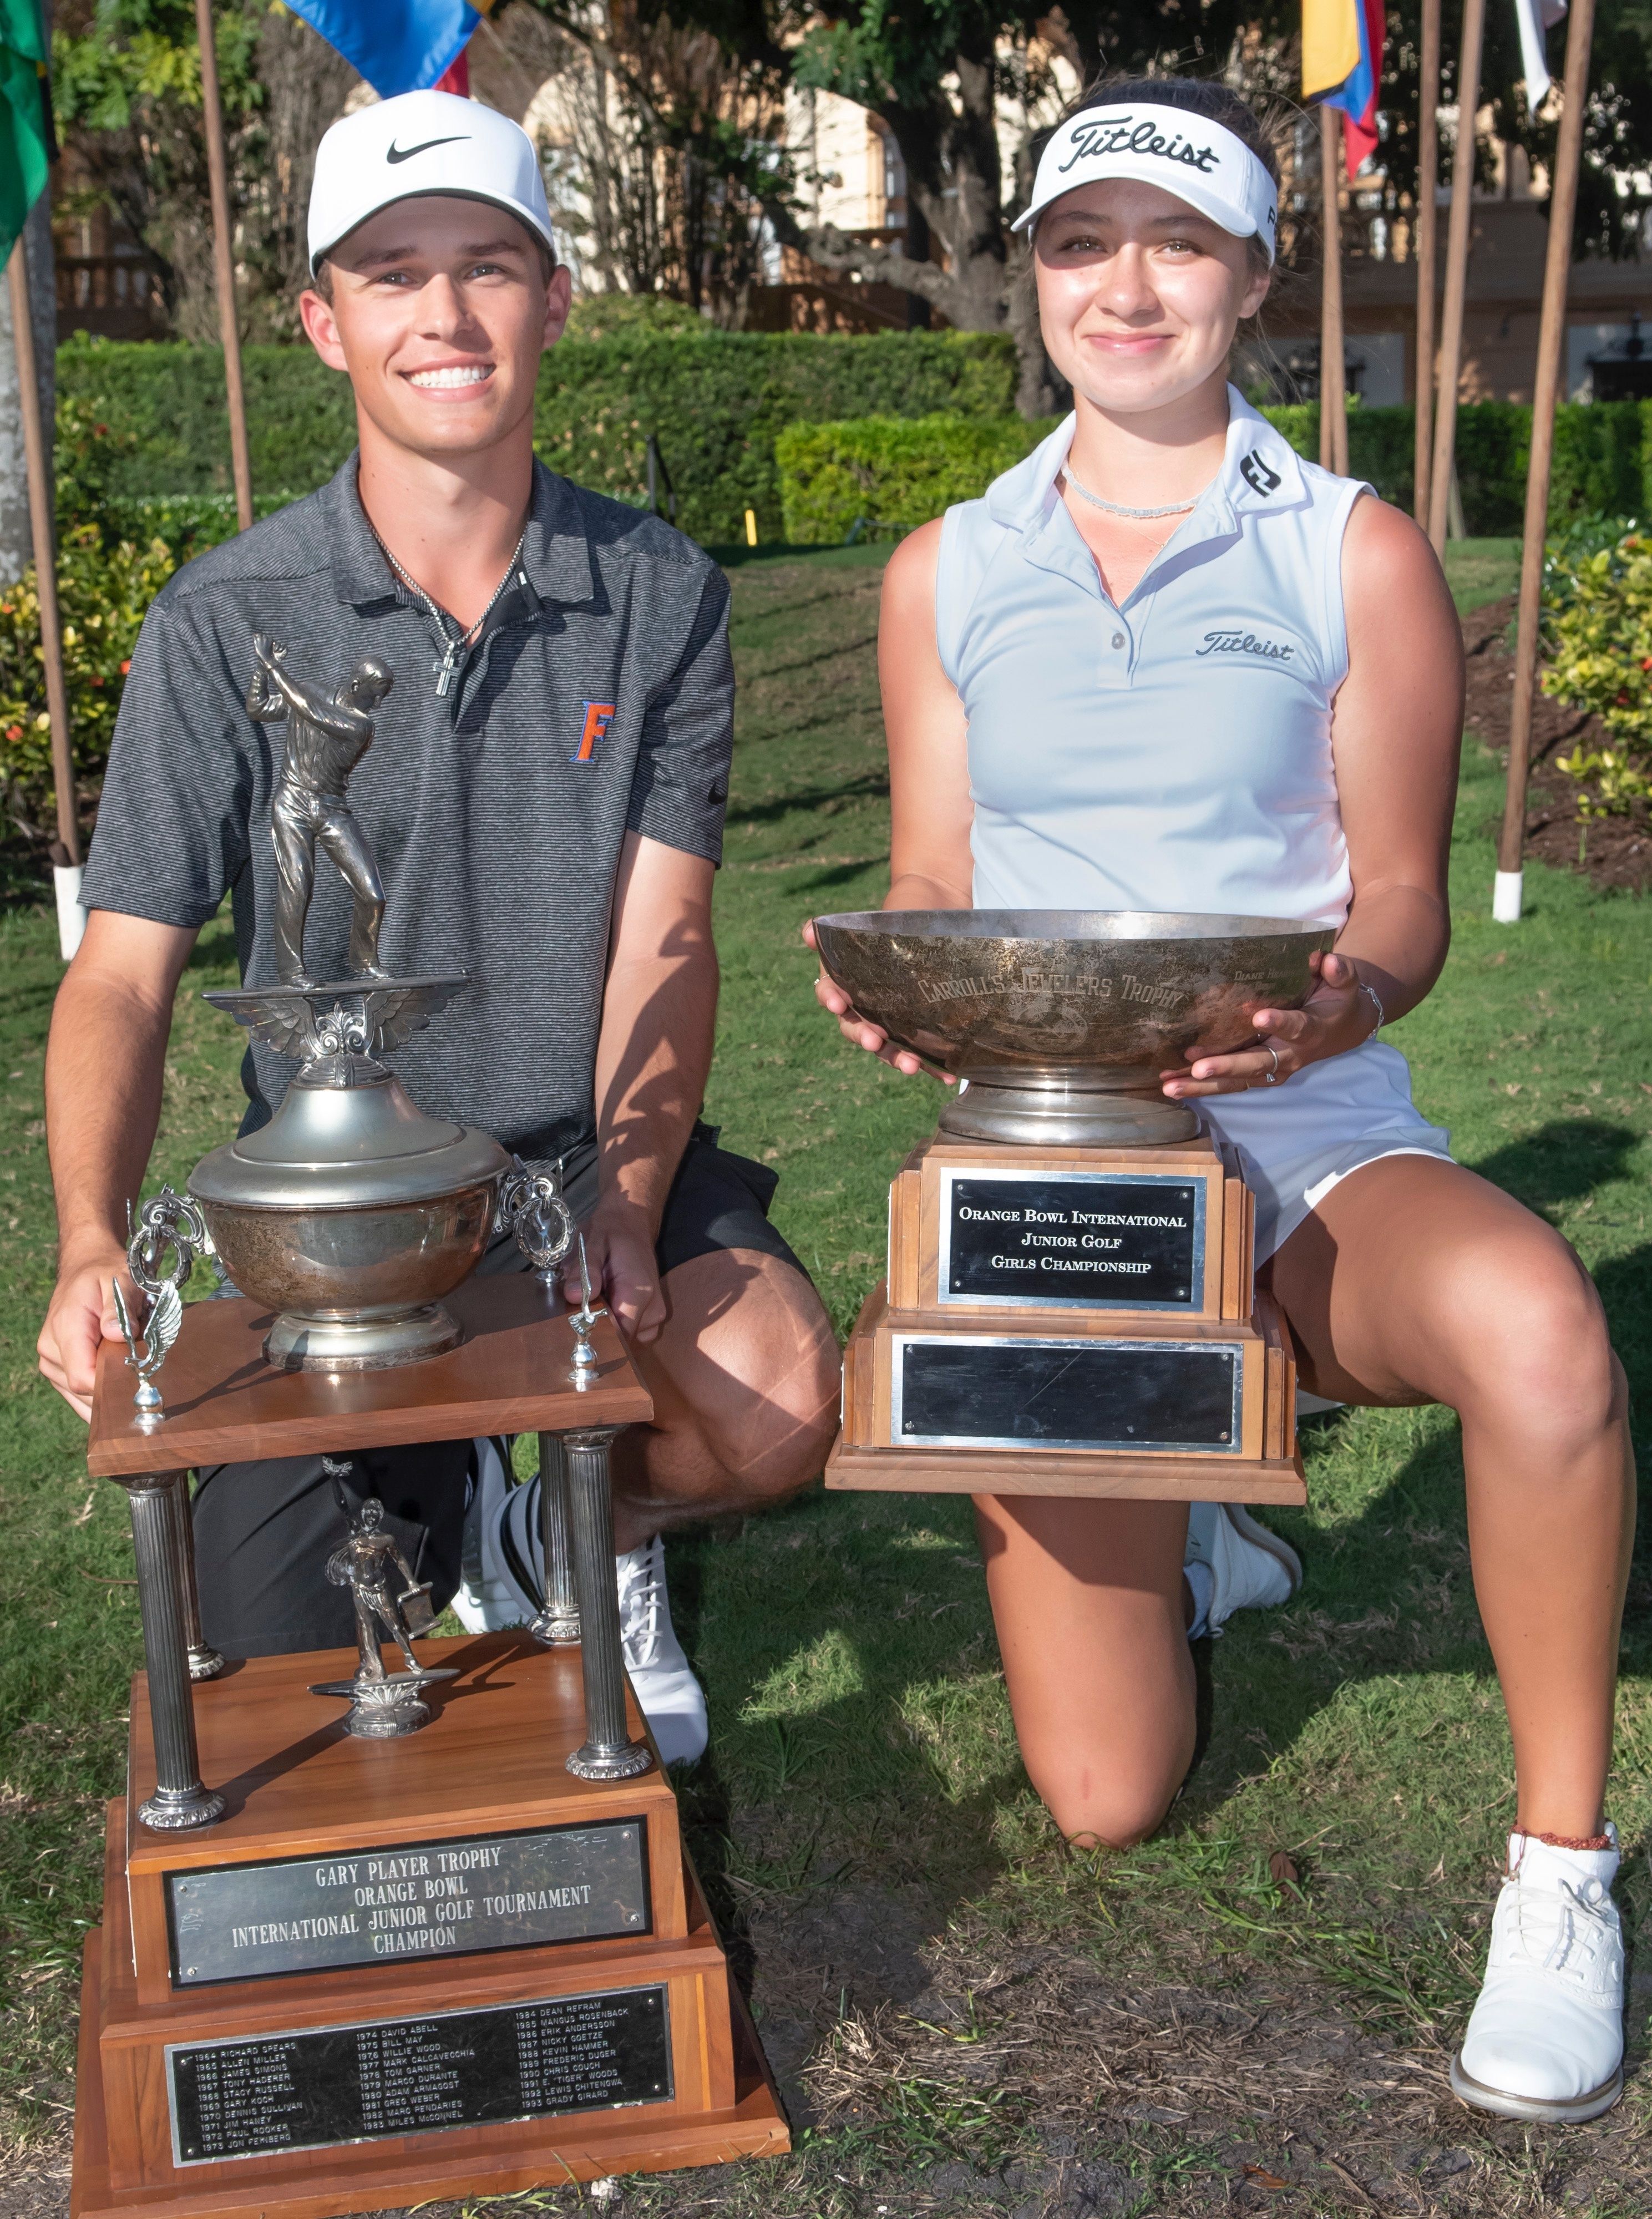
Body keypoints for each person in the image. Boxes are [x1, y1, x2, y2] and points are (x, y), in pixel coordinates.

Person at [813, 77, 1634, 2126]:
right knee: (1101, 1799)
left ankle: (1559, 1875)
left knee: (1539, 1335)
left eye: (1176, 243)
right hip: (1046, 1174)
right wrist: (909, 983)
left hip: (1301, 1134)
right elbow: (933, 873)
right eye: (1081, 243)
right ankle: (1199, 1533)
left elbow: (1406, 900)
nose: (1127, 285)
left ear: (1256, 278)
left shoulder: (1349, 550)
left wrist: (1335, 997)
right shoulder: (944, 566)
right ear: (1036, 280)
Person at [37, 89, 841, 1766]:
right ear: (326, 323)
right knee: (286, 1662)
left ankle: (583, 1533)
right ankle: (492, 1479)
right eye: (393, 276)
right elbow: (123, 969)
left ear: (552, 301)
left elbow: (662, 941)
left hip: (573, 1154)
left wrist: (625, 1199)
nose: (445, 316)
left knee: (776, 1403)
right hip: (333, 1209)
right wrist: (91, 1236)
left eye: (487, 267)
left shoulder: (659, 590)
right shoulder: (220, 621)